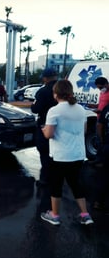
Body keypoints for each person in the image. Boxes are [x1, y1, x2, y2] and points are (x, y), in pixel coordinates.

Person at [40, 80, 94, 226]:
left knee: (56, 185)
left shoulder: (54, 111)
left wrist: (44, 129)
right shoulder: (81, 110)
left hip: (60, 155)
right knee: (76, 184)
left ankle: (55, 215)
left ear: (55, 94)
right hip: (77, 155)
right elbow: (83, 131)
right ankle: (85, 214)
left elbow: (49, 134)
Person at [30, 68, 58, 186]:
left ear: (45, 78)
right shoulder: (63, 90)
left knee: (45, 152)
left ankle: (46, 179)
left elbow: (35, 109)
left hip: (45, 125)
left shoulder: (42, 91)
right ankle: (57, 177)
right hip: (60, 126)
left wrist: (32, 104)